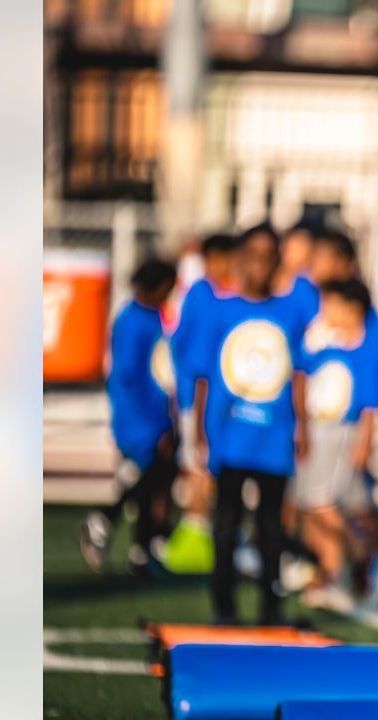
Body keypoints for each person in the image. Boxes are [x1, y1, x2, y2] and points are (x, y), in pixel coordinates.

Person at [192, 223, 310, 625]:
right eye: (252, 256)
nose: (259, 265)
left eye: (268, 257)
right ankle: (223, 607)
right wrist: (198, 432)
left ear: (278, 262)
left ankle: (270, 609)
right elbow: (204, 376)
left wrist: (302, 428)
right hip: (229, 434)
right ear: (239, 260)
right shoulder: (220, 310)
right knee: (225, 522)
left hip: (274, 436)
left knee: (270, 527)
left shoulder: (290, 312)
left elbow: (298, 374)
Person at [80, 258, 179, 575]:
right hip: (139, 419)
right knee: (145, 478)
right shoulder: (133, 321)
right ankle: (103, 519)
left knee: (155, 482)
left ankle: (142, 550)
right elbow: (129, 377)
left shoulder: (151, 319)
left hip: (154, 415)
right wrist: (152, 423)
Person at [294, 278, 378, 613]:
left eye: (332, 304)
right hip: (317, 432)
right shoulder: (325, 345)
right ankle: (332, 573)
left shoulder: (367, 350)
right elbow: (302, 377)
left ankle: (364, 556)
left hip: (342, 434)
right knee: (309, 505)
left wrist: (365, 443)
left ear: (353, 308)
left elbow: (371, 406)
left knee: (322, 504)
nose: (326, 311)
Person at [163, 233, 237, 574]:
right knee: (199, 463)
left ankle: (211, 532)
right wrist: (183, 398)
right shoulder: (201, 296)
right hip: (199, 397)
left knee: (217, 467)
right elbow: (187, 353)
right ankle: (196, 532)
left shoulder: (229, 295)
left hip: (228, 400)